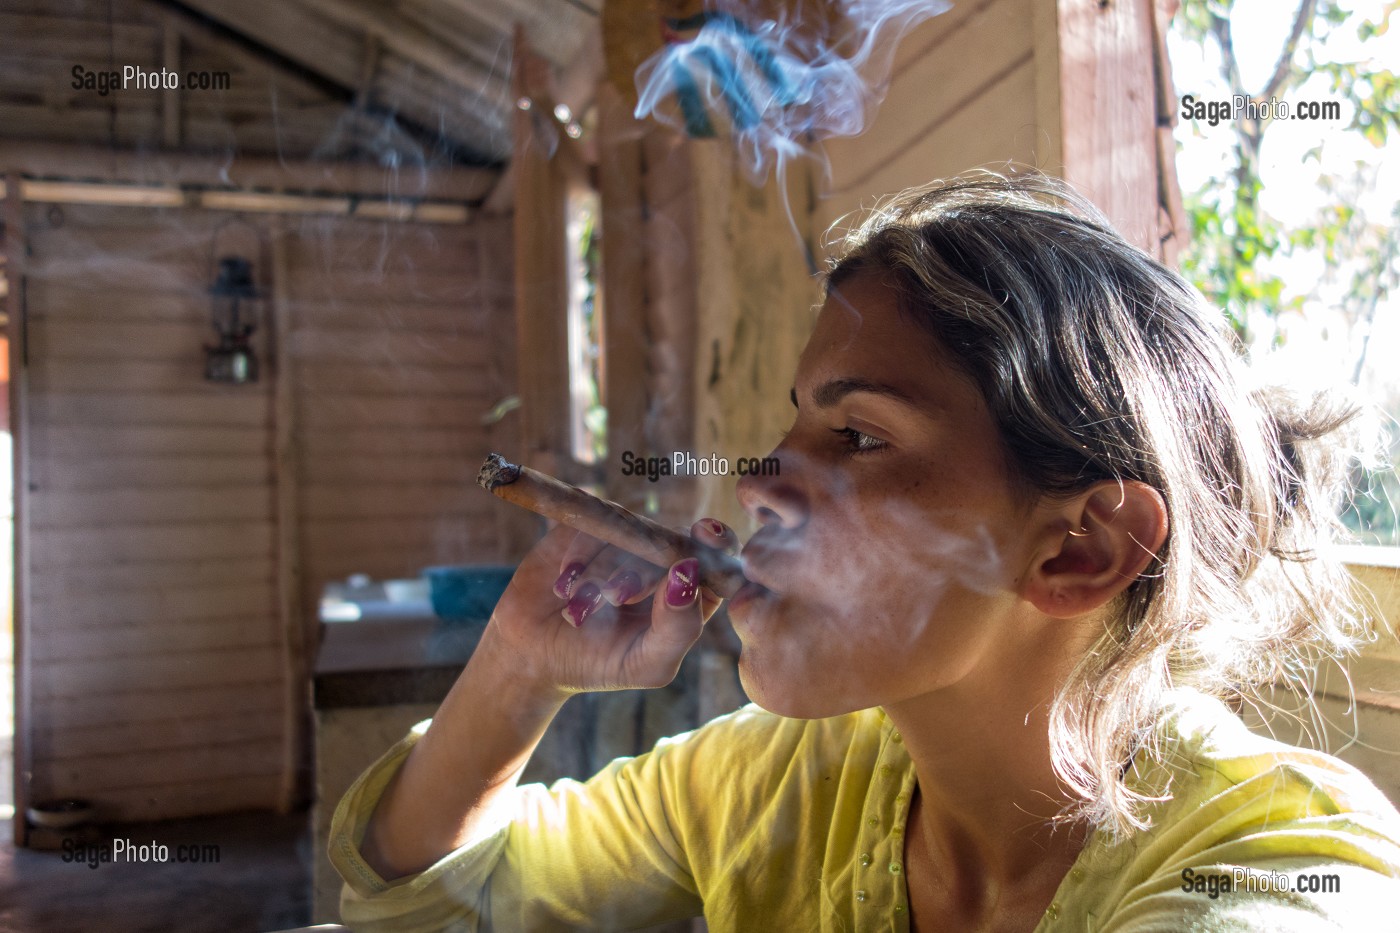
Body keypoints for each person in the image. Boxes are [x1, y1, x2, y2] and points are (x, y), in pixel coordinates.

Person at [329, 173, 1400, 931]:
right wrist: (517, 666)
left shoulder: (1278, 867)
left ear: (1079, 549)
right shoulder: (781, 783)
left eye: (856, 437)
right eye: (793, 423)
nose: (755, 481)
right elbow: (437, 904)